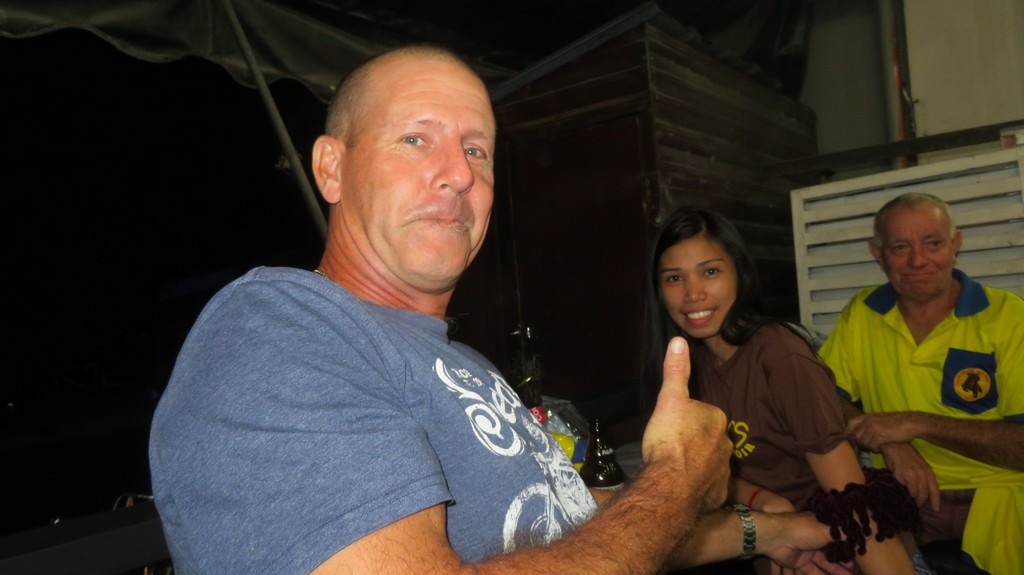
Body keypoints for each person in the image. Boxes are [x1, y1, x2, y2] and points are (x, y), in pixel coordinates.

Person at [149, 45, 847, 575]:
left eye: (476, 149)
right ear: (331, 167)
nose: (459, 173)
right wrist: (675, 482)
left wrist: (771, 532)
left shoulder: (466, 363)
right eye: (416, 138)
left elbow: (578, 530)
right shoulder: (276, 329)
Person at [640, 207, 920, 575]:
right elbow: (702, 475)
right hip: (771, 546)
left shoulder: (781, 357)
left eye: (710, 272)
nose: (693, 294)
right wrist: (763, 499)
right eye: (675, 278)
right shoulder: (687, 366)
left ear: (739, 274)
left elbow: (851, 500)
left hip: (841, 551)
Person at [818, 192, 1024, 575]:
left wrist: (916, 424)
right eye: (900, 247)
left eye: (933, 243)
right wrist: (891, 442)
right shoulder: (862, 313)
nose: (917, 260)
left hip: (999, 500)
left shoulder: (1010, 317)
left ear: (955, 244)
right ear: (877, 253)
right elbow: (821, 395)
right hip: (901, 498)